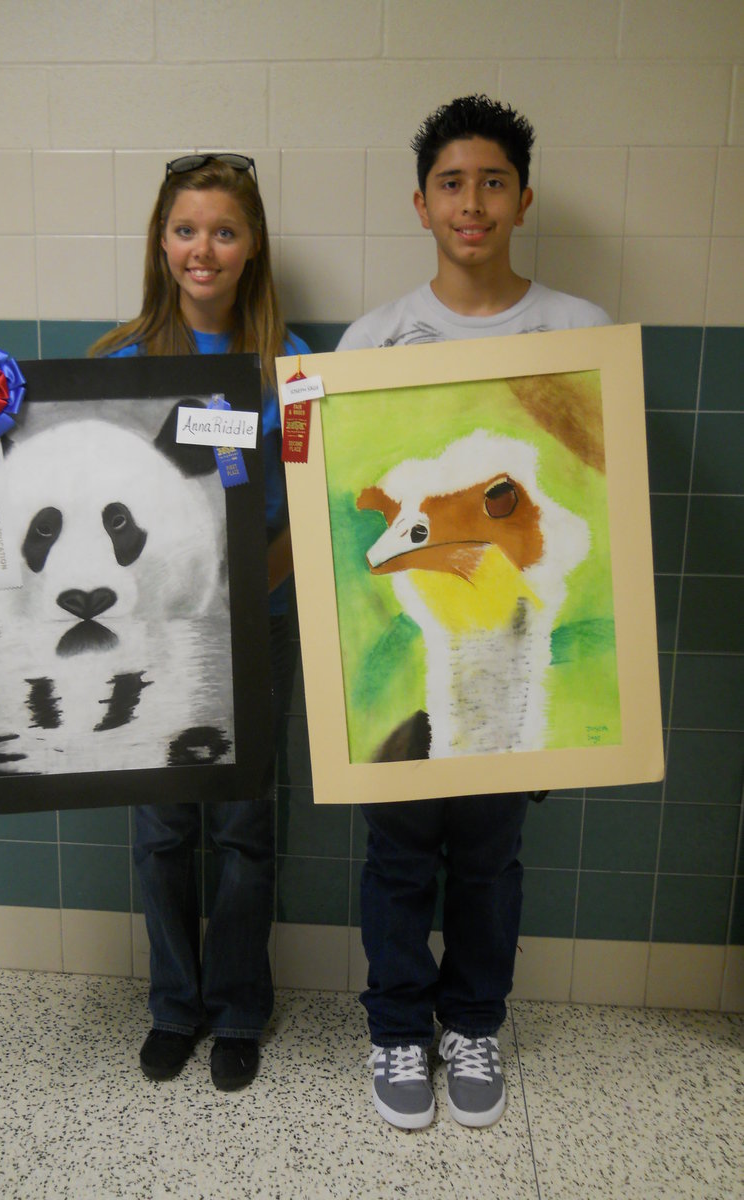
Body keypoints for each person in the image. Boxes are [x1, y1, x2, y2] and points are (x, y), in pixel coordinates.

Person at [337, 95, 610, 1131]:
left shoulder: (579, 331)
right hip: (406, 664)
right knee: (400, 856)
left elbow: (596, 500)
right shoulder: (376, 337)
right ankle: (400, 1030)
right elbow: (344, 501)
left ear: (523, 197)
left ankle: (474, 1020)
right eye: (452, 183)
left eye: (493, 181)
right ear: (420, 203)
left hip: (519, 664)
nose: (472, 202)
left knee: (490, 858)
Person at [91, 154, 309, 1091]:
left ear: (252, 243)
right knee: (165, 830)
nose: (203, 249)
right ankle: (174, 1006)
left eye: (224, 230)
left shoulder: (288, 369)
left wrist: (240, 596)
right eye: (186, 230)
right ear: (161, 241)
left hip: (254, 631)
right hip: (150, 640)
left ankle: (238, 1011)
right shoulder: (115, 364)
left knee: (245, 830)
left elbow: (307, 505)